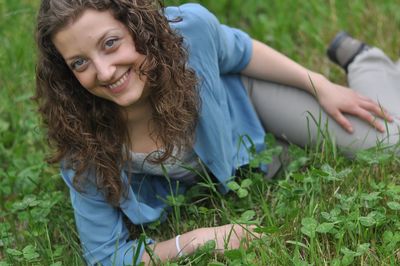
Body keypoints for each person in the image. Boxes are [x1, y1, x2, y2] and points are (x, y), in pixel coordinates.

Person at [34, 0, 399, 265]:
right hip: (251, 153)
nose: (105, 71)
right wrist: (195, 240)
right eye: (79, 63)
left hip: (245, 100)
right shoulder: (83, 148)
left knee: (387, 143)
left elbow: (239, 52)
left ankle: (365, 60)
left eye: (110, 43)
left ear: (138, 27)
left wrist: (318, 84)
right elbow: (105, 257)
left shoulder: (186, 31)